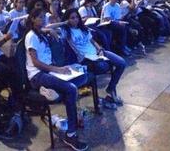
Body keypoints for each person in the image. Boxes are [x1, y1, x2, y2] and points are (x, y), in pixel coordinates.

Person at [24, 8, 89, 151]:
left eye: (44, 17)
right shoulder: (31, 36)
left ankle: (51, 90)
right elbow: (35, 63)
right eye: (39, 17)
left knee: (82, 75)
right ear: (33, 19)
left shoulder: (41, 32)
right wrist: (57, 70)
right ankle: (71, 134)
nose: (43, 20)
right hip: (38, 75)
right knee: (71, 89)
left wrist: (48, 30)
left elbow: (51, 27)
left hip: (49, 72)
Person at [60, 9, 125, 109]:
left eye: (77, 17)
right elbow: (47, 27)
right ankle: (98, 97)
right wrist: (64, 23)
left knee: (121, 63)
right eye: (72, 18)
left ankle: (110, 88)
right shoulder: (66, 31)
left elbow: (92, 41)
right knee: (102, 66)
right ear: (67, 19)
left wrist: (100, 49)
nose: (75, 20)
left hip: (97, 53)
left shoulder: (83, 28)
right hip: (86, 57)